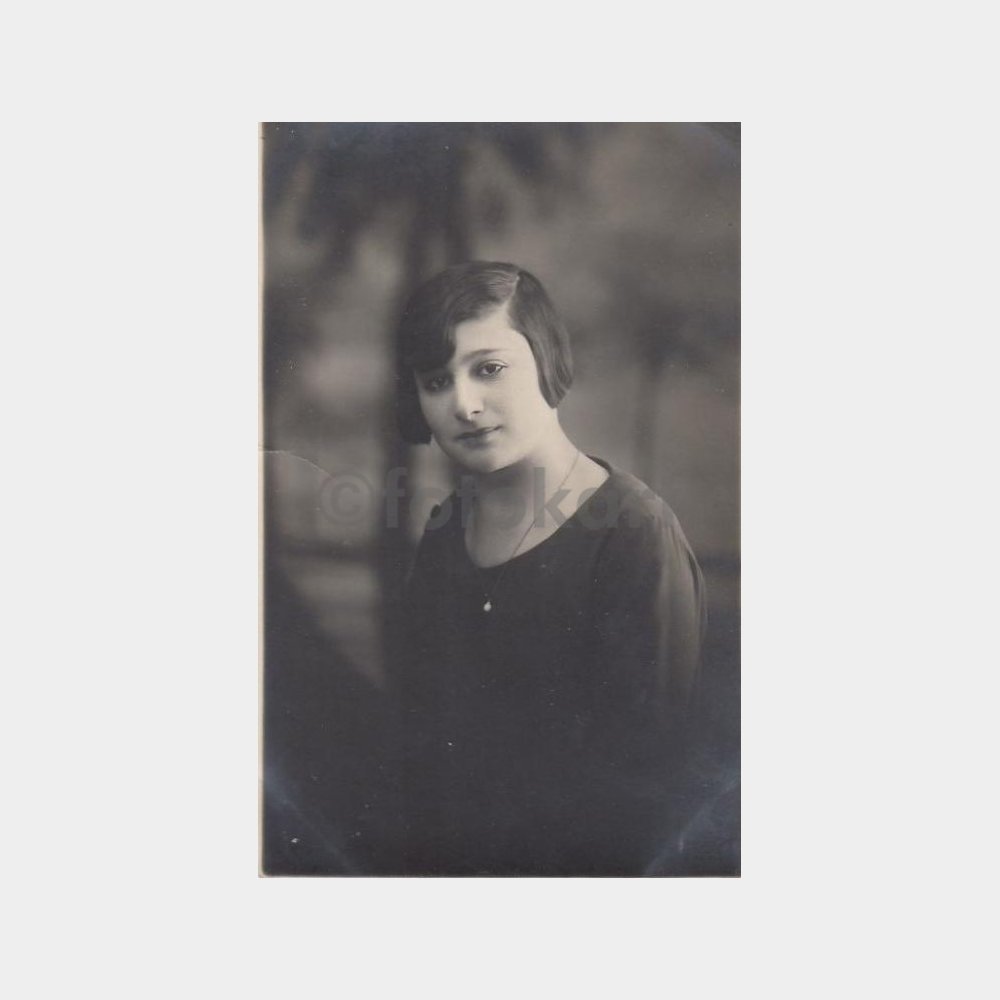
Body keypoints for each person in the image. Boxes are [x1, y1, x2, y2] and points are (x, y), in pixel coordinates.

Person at [395, 261, 707, 875]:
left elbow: (646, 785)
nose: (464, 404)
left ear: (547, 360)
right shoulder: (445, 532)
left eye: (489, 368)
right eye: (436, 381)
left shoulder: (633, 535)